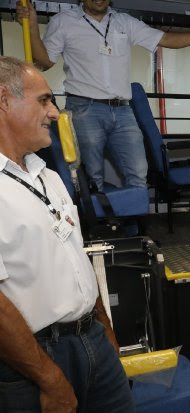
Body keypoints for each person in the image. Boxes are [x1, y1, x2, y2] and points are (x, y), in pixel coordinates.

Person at [0, 56, 133, 412]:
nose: (55, 113)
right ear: (4, 100)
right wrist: (49, 378)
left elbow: (76, 257)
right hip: (34, 359)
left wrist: (105, 328)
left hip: (93, 341)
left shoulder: (49, 176)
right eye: (44, 100)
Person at [16, 0, 190, 191]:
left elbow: (165, 39)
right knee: (93, 175)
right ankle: (99, 217)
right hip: (85, 109)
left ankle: (135, 217)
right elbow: (44, 62)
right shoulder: (64, 21)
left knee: (139, 171)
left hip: (123, 111)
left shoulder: (125, 22)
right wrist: (32, 27)